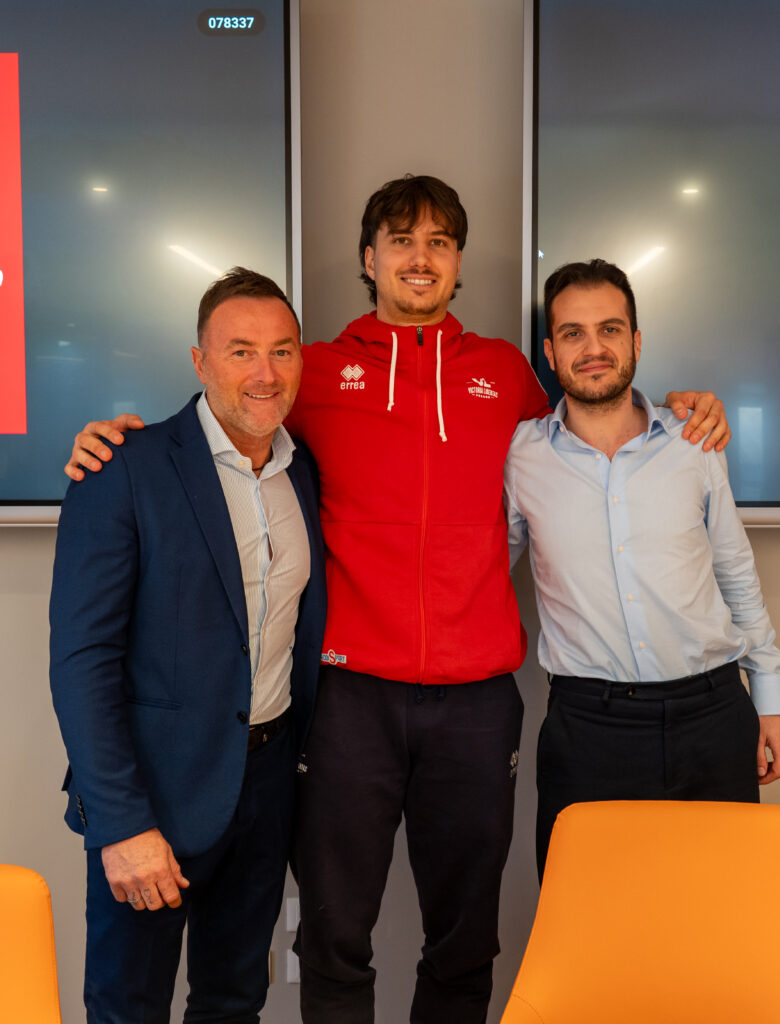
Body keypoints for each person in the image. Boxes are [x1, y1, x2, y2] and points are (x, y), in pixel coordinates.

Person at [63, 177, 730, 1024]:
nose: (421, 257)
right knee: (333, 937)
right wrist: (115, 440)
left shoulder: (505, 373)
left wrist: (677, 406)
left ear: (457, 262)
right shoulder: (312, 369)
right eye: (401, 240)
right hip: (350, 700)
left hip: (476, 700)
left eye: (439, 241)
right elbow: (227, 418)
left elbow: (593, 411)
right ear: (368, 258)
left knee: (465, 940)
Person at [50, 268, 326, 1023]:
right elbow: (82, 662)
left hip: (266, 785)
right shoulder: (122, 467)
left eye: (282, 350)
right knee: (127, 1007)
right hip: (154, 794)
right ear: (200, 362)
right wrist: (121, 822)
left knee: (235, 1001)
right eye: (240, 351)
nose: (265, 373)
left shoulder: (303, 472)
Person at [504, 258, 780, 879]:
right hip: (588, 727)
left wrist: (771, 699)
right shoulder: (519, 457)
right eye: (573, 333)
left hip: (713, 716)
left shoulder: (695, 440)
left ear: (635, 342)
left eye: (609, 329)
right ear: (551, 353)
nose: (593, 349)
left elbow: (737, 575)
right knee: (589, 914)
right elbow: (478, 570)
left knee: (718, 911)